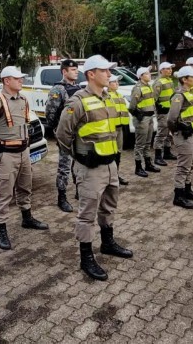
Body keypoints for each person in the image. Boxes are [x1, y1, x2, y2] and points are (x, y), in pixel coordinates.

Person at [57, 55, 133, 281]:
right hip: (90, 169)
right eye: (105, 71)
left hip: (110, 165)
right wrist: (79, 157)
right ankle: (86, 257)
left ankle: (108, 243)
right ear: (91, 74)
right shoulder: (77, 101)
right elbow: (62, 135)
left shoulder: (108, 97)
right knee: (87, 214)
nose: (109, 75)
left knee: (109, 206)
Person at [0, 66, 48, 250]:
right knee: (4, 194)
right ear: (6, 81)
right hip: (7, 155)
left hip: (24, 152)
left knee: (26, 186)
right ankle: (1, 230)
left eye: (21, 78)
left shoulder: (23, 99)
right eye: (17, 78)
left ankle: (27, 218)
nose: (21, 81)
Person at [45, 59, 81, 212]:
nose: (76, 72)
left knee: (79, 164)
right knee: (64, 167)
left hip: (79, 134)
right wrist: (57, 132)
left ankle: (79, 191)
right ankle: (62, 197)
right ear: (64, 72)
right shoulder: (58, 90)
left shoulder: (79, 88)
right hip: (65, 134)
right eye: (72, 70)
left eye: (76, 69)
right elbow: (50, 114)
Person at [166, 66, 193, 209]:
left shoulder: (192, 93)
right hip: (184, 136)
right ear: (184, 79)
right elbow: (171, 119)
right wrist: (179, 129)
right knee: (183, 166)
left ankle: (188, 190)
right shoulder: (179, 96)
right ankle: (179, 195)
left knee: (192, 164)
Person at [129, 67, 159, 177]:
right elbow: (132, 106)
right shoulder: (138, 88)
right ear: (141, 76)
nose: (149, 75)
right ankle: (138, 167)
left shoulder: (148, 86)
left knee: (147, 142)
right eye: (146, 73)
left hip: (150, 117)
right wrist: (138, 115)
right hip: (142, 119)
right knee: (140, 144)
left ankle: (148, 164)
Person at [107, 75, 131, 186]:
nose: (117, 83)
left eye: (117, 81)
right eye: (114, 82)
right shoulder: (106, 96)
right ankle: (110, 177)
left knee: (118, 153)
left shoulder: (119, 95)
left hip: (120, 128)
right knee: (111, 153)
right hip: (111, 129)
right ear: (108, 84)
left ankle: (116, 175)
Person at [152, 62, 177, 166]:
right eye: (167, 69)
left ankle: (167, 152)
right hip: (163, 112)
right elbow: (153, 99)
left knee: (169, 133)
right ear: (161, 70)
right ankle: (157, 156)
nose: (170, 70)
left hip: (170, 110)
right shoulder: (158, 82)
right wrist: (158, 109)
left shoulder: (169, 80)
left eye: (170, 69)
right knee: (162, 133)